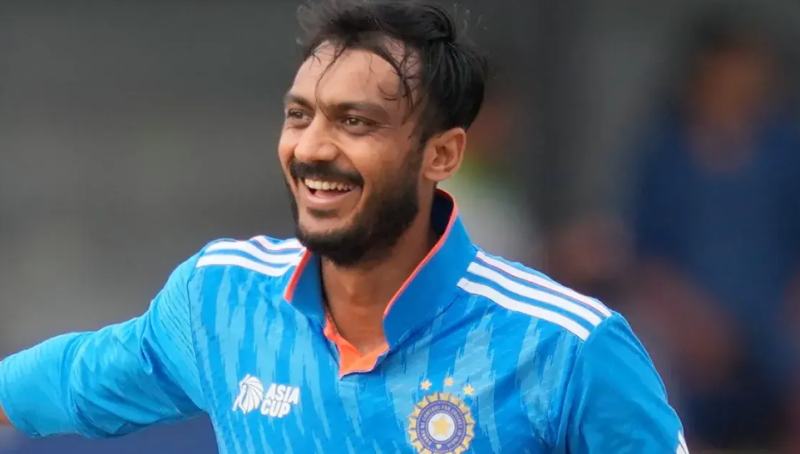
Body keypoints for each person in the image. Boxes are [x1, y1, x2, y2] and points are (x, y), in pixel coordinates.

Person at [0, 1, 686, 452]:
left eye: (356, 122)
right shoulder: (221, 300)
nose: (312, 147)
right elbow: (72, 381)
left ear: (442, 154)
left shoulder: (570, 348)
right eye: (300, 115)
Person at [630, 11, 800, 450]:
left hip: (778, 321)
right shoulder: (665, 157)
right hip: (691, 323)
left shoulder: (786, 152)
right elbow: (648, 258)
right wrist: (692, 321)